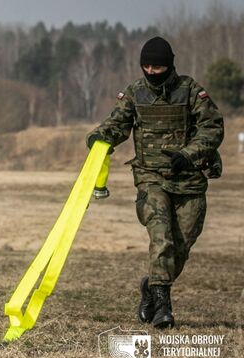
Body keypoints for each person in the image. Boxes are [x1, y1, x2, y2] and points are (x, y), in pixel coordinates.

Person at [85, 36, 223, 329]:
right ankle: (163, 308)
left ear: (169, 66)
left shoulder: (191, 91)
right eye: (145, 66)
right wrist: (99, 138)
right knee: (161, 239)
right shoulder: (135, 93)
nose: (150, 71)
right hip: (151, 179)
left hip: (189, 181)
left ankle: (151, 286)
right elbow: (117, 124)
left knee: (181, 248)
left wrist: (189, 155)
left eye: (157, 67)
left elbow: (212, 128)